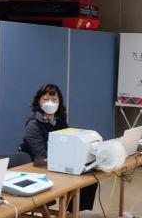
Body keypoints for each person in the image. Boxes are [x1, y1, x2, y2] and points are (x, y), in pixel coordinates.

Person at [21, 83, 97, 211]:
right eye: (45, 99)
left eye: (54, 99)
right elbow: (40, 154)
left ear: (59, 102)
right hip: (40, 164)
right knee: (77, 176)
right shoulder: (33, 125)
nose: (49, 102)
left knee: (89, 174)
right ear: (39, 101)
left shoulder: (60, 121)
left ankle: (71, 214)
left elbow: (71, 142)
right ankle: (68, 217)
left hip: (59, 162)